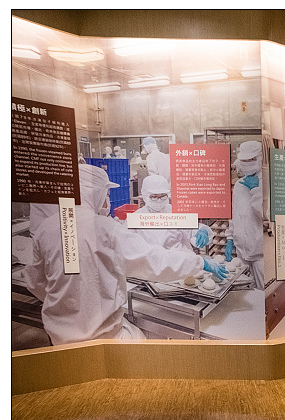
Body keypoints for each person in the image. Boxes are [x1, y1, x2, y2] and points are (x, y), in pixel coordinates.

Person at [24, 164, 227, 346]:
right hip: (107, 336)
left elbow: (35, 282)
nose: (107, 200)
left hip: (59, 338)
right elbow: (151, 259)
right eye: (106, 194)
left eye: (162, 195)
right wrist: (198, 262)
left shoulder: (46, 227)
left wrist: (70, 303)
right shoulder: (109, 228)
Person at [133, 174, 212, 254]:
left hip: (179, 258)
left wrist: (202, 230)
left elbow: (192, 228)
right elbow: (129, 244)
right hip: (151, 260)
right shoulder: (136, 218)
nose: (159, 200)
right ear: (145, 196)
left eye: (163, 196)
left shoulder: (174, 212)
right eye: (154, 197)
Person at [226, 140, 265, 289]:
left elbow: (265, 215)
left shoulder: (266, 183)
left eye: (251, 159)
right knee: (245, 292)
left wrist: (255, 190)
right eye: (244, 160)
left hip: (259, 254)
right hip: (241, 251)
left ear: (260, 158)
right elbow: (235, 214)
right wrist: (230, 238)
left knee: (261, 292)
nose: (247, 163)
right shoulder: (239, 185)